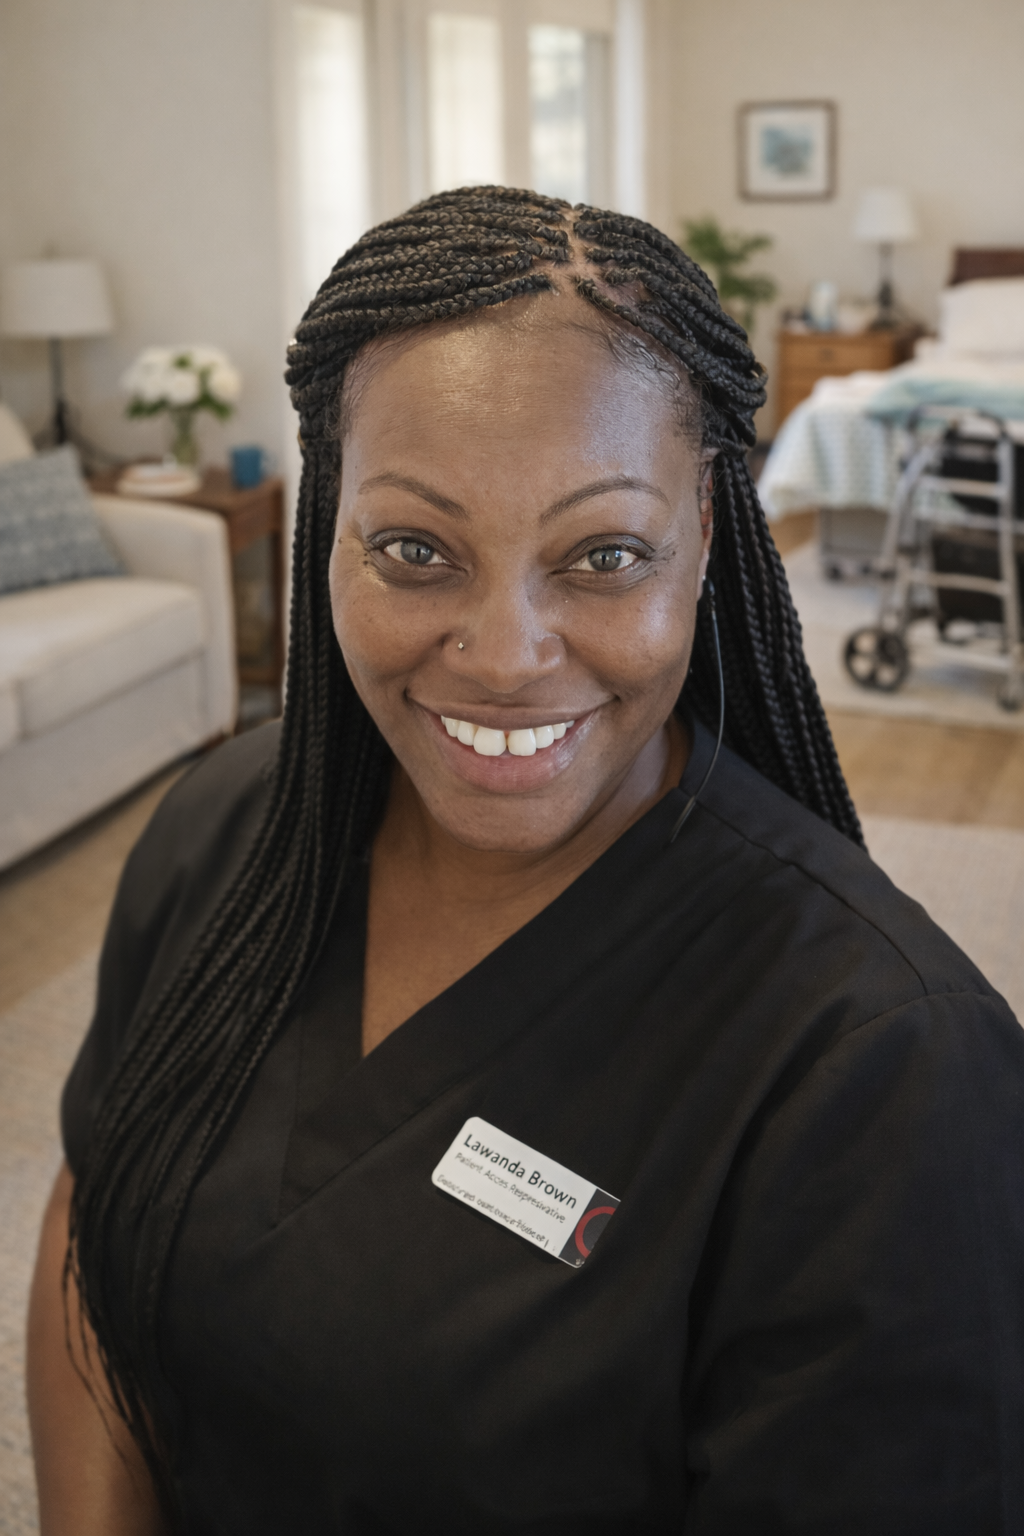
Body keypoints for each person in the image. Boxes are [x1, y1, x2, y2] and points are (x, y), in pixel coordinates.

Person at [28, 187, 1024, 1534]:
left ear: (709, 544)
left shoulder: (884, 1066)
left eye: (605, 554)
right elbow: (92, 1210)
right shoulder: (224, 826)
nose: (505, 656)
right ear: (332, 532)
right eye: (415, 550)